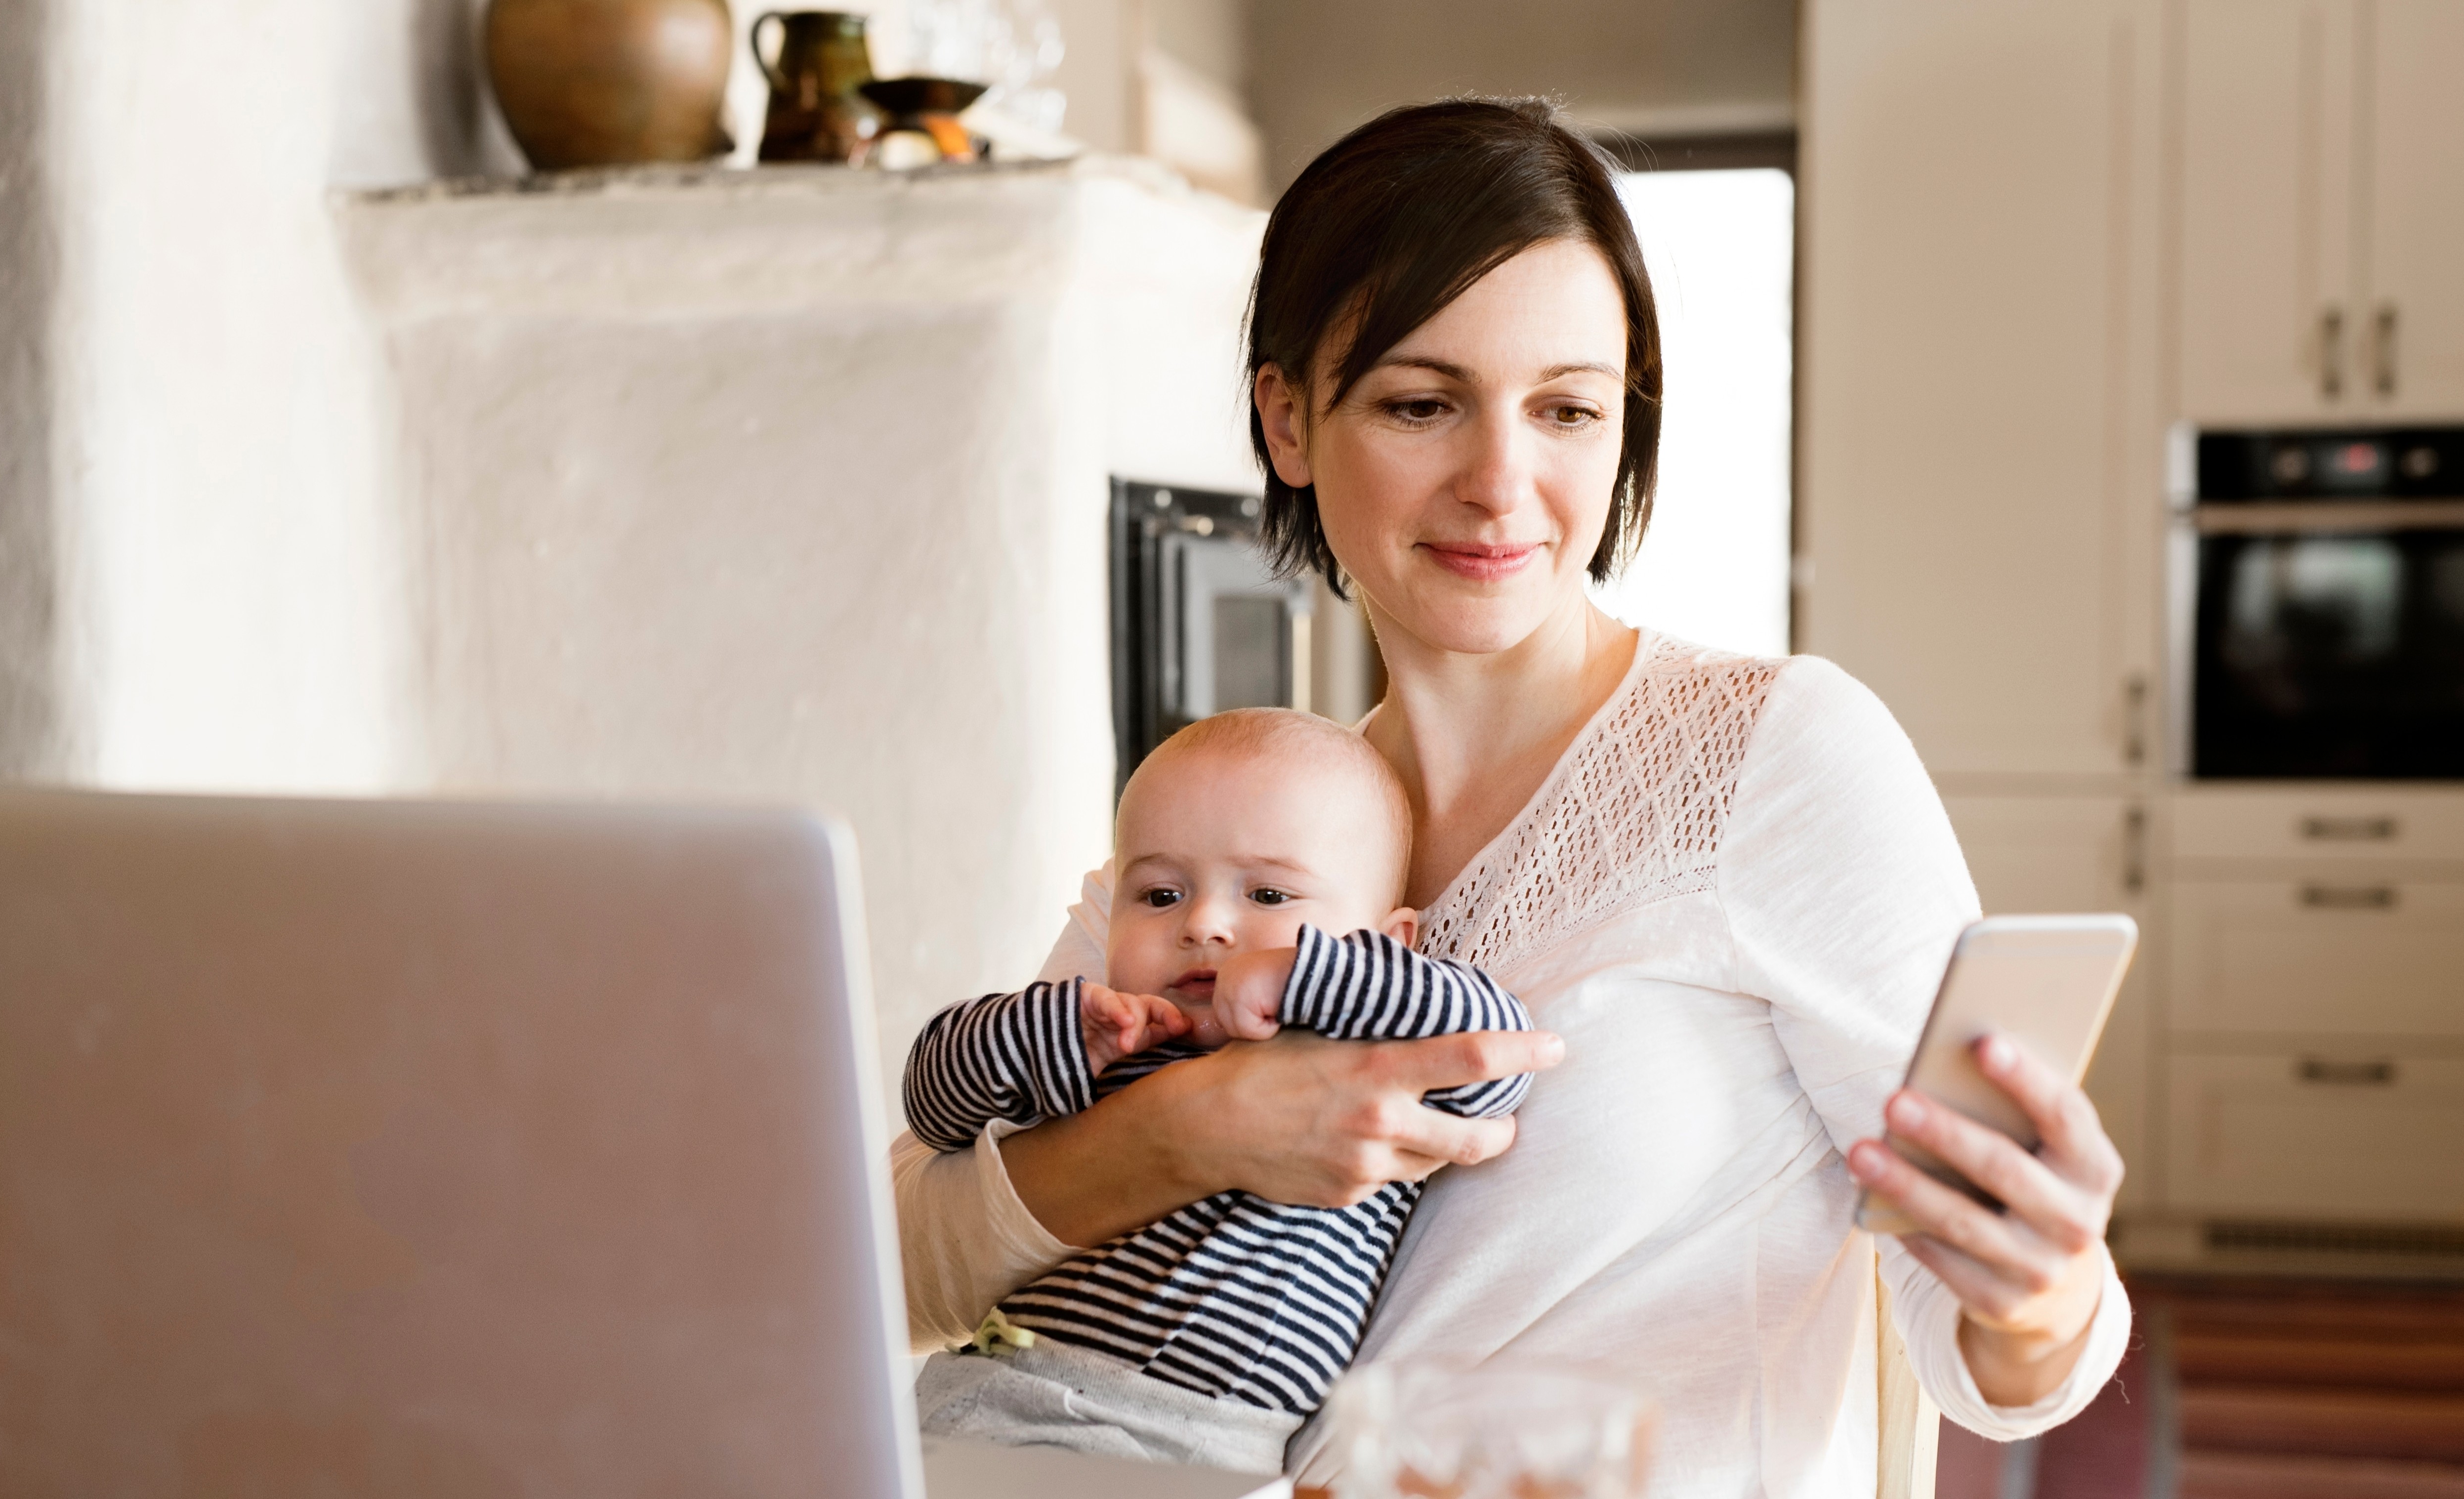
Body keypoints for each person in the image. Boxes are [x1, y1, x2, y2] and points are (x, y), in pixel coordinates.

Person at [891, 97, 2132, 1495]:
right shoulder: (1239, 823)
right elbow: (903, 1260)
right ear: (1288, 419)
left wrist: (2039, 1291)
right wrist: (1197, 1127)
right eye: (1423, 405)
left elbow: (2004, 1362)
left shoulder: (1777, 755)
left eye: (1567, 409)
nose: (1501, 483)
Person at [905, 708, 1535, 1476]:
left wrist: (1304, 974)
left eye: (1269, 897)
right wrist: (1052, 1028)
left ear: (1390, 942)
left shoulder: (1378, 1049)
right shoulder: (1115, 1037)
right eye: (1160, 895)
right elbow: (933, 1104)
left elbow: (1497, 1057)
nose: (1204, 923)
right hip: (1007, 1401)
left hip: (1212, 1451)